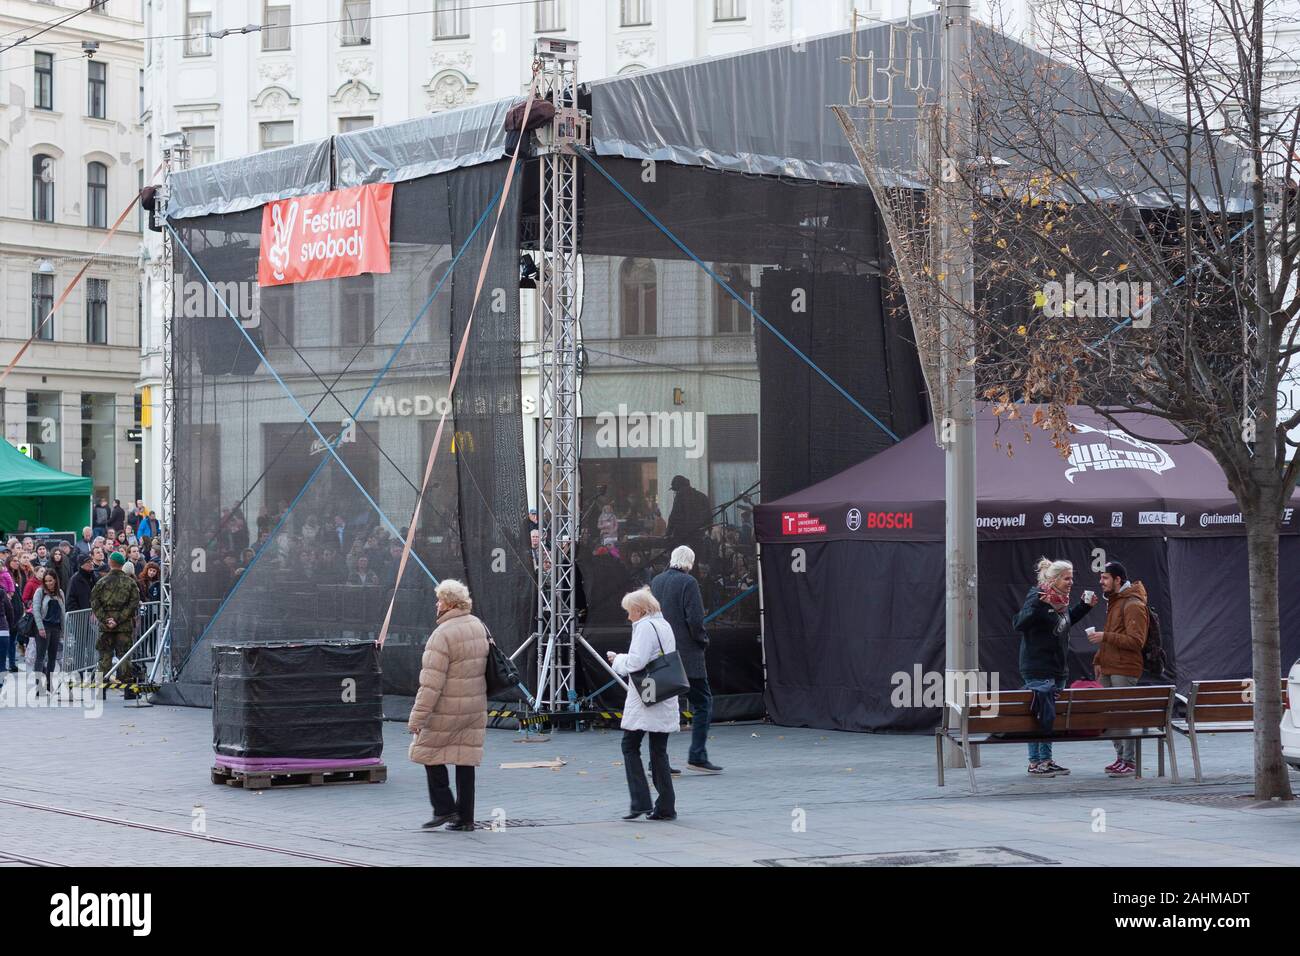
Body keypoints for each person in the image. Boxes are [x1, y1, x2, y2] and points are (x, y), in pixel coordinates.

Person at [408, 579, 489, 832]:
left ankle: (444, 807)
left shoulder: (442, 634)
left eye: (440, 599)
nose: (437, 603)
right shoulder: (478, 625)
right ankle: (465, 818)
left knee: (427, 751)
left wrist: (417, 718)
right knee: (465, 759)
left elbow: (430, 684)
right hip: (474, 706)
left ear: (450, 603)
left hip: (447, 707)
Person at [1012, 557, 1097, 777]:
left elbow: (1064, 624)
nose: (1071, 582)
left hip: (1058, 667)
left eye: (1071, 578)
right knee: (1038, 715)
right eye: (1067, 578)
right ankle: (1035, 762)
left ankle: (1046, 761)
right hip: (1038, 666)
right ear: (1056, 579)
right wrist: (1039, 604)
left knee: (1048, 715)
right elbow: (1018, 623)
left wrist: (1084, 607)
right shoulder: (1038, 596)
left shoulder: (1061, 601)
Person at [607, 588, 679, 820]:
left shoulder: (645, 627)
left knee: (629, 746)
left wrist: (618, 659)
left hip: (646, 695)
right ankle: (666, 806)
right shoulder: (664, 625)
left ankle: (640, 801)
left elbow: (637, 662)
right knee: (658, 751)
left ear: (639, 610)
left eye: (629, 612)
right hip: (664, 692)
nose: (628, 617)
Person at [651, 545, 721, 774]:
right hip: (688, 655)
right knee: (702, 703)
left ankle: (657, 762)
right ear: (689, 563)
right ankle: (697, 756)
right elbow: (695, 618)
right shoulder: (688, 583)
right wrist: (702, 641)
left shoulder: (657, 581)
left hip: (663, 654)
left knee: (664, 708)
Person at [1088, 560, 1150, 779]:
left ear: (1118, 580)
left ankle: (1129, 761)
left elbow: (1136, 641)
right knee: (1110, 715)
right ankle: (1120, 757)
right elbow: (1111, 632)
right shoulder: (1115, 601)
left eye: (1105, 577)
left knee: (1123, 714)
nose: (1101, 581)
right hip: (1108, 665)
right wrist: (1098, 660)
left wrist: (1104, 637)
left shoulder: (1133, 604)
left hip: (1125, 667)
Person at [90, 552, 141, 694]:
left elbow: (94, 602)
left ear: (110, 562)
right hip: (124, 626)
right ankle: (128, 691)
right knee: (124, 656)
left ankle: (101, 691)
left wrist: (106, 619)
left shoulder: (101, 582)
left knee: (104, 656)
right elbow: (134, 603)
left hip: (106, 627)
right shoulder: (130, 582)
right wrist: (118, 619)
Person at [31, 570, 65, 695]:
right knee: (40, 657)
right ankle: (39, 687)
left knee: (52, 658)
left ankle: (50, 685)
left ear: (55, 580)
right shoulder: (40, 592)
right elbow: (36, 610)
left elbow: (63, 613)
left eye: (50, 580)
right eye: (46, 581)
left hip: (56, 628)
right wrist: (40, 628)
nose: (48, 583)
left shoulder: (60, 593)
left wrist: (63, 630)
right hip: (43, 627)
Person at [665, 475, 712, 550]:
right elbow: (709, 517)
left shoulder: (680, 496)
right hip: (698, 536)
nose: (675, 493)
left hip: (682, 538)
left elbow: (674, 517)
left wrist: (667, 534)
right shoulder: (702, 496)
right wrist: (709, 531)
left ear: (678, 488)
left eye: (675, 490)